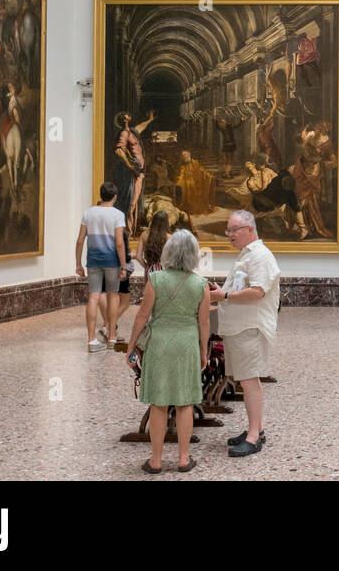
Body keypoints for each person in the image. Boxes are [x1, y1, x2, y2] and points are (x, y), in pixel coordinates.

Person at [126, 229, 209, 474]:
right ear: (194, 254)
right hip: (186, 344)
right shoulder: (200, 284)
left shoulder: (157, 279)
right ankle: (184, 458)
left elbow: (143, 315)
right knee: (185, 403)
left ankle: (156, 460)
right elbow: (203, 323)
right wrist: (203, 351)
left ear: (168, 252)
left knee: (159, 403)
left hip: (160, 343)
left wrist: (131, 346)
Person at [209, 210, 281, 457]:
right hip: (239, 327)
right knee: (246, 380)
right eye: (228, 230)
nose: (229, 235)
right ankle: (256, 429)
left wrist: (224, 295)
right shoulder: (247, 255)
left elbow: (257, 291)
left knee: (249, 381)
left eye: (234, 229)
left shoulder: (260, 256)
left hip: (250, 327)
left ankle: (253, 438)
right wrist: (222, 291)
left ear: (250, 229)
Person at [75, 182, 127, 352]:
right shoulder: (118, 215)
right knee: (113, 296)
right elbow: (119, 243)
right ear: (115, 197)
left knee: (93, 297)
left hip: (93, 260)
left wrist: (78, 263)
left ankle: (91, 340)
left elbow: (80, 240)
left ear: (101, 195)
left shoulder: (88, 213)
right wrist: (123, 265)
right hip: (111, 260)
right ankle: (112, 338)